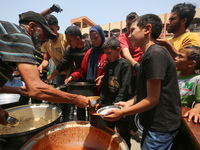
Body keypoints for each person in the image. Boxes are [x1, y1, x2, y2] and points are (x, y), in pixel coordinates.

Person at [103, 14, 182, 150]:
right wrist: (128, 104)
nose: (129, 35)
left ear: (147, 29)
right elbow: (145, 93)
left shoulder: (155, 54)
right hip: (153, 125)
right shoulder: (148, 55)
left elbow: (152, 99)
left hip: (161, 127)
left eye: (132, 30)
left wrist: (122, 113)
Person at [0, 11, 90, 125]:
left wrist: (16, 90)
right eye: (45, 34)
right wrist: (75, 99)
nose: (47, 40)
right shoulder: (22, 37)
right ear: (32, 26)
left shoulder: (10, 33)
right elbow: (36, 90)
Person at [46, 26, 92, 121]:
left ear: (78, 38)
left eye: (70, 40)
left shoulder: (90, 45)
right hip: (78, 79)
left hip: (92, 79)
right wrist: (48, 79)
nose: (68, 43)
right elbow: (62, 65)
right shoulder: (70, 49)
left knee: (92, 107)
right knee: (80, 107)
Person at [95, 37, 133, 149]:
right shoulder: (108, 65)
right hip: (110, 102)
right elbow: (105, 85)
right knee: (109, 130)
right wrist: (101, 101)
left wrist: (115, 105)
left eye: (109, 53)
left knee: (124, 134)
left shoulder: (125, 65)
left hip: (123, 104)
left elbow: (125, 88)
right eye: (106, 54)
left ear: (118, 49)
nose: (107, 56)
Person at [64, 25, 108, 121]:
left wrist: (104, 76)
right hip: (92, 91)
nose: (93, 41)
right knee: (92, 118)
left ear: (102, 36)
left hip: (105, 92)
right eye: (91, 39)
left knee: (102, 119)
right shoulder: (89, 53)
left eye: (96, 38)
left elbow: (115, 69)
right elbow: (82, 70)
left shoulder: (108, 51)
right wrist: (72, 77)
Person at [118, 12, 143, 141]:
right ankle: (125, 128)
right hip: (128, 73)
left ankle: (133, 129)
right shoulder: (123, 37)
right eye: (127, 25)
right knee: (126, 100)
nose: (129, 29)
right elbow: (126, 53)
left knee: (137, 101)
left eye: (132, 25)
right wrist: (136, 65)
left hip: (140, 73)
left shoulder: (141, 37)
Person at [175, 46, 200, 123]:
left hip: (181, 117)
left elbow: (198, 102)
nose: (176, 58)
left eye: (180, 56)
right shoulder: (171, 74)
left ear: (191, 63)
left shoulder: (197, 79)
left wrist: (195, 110)